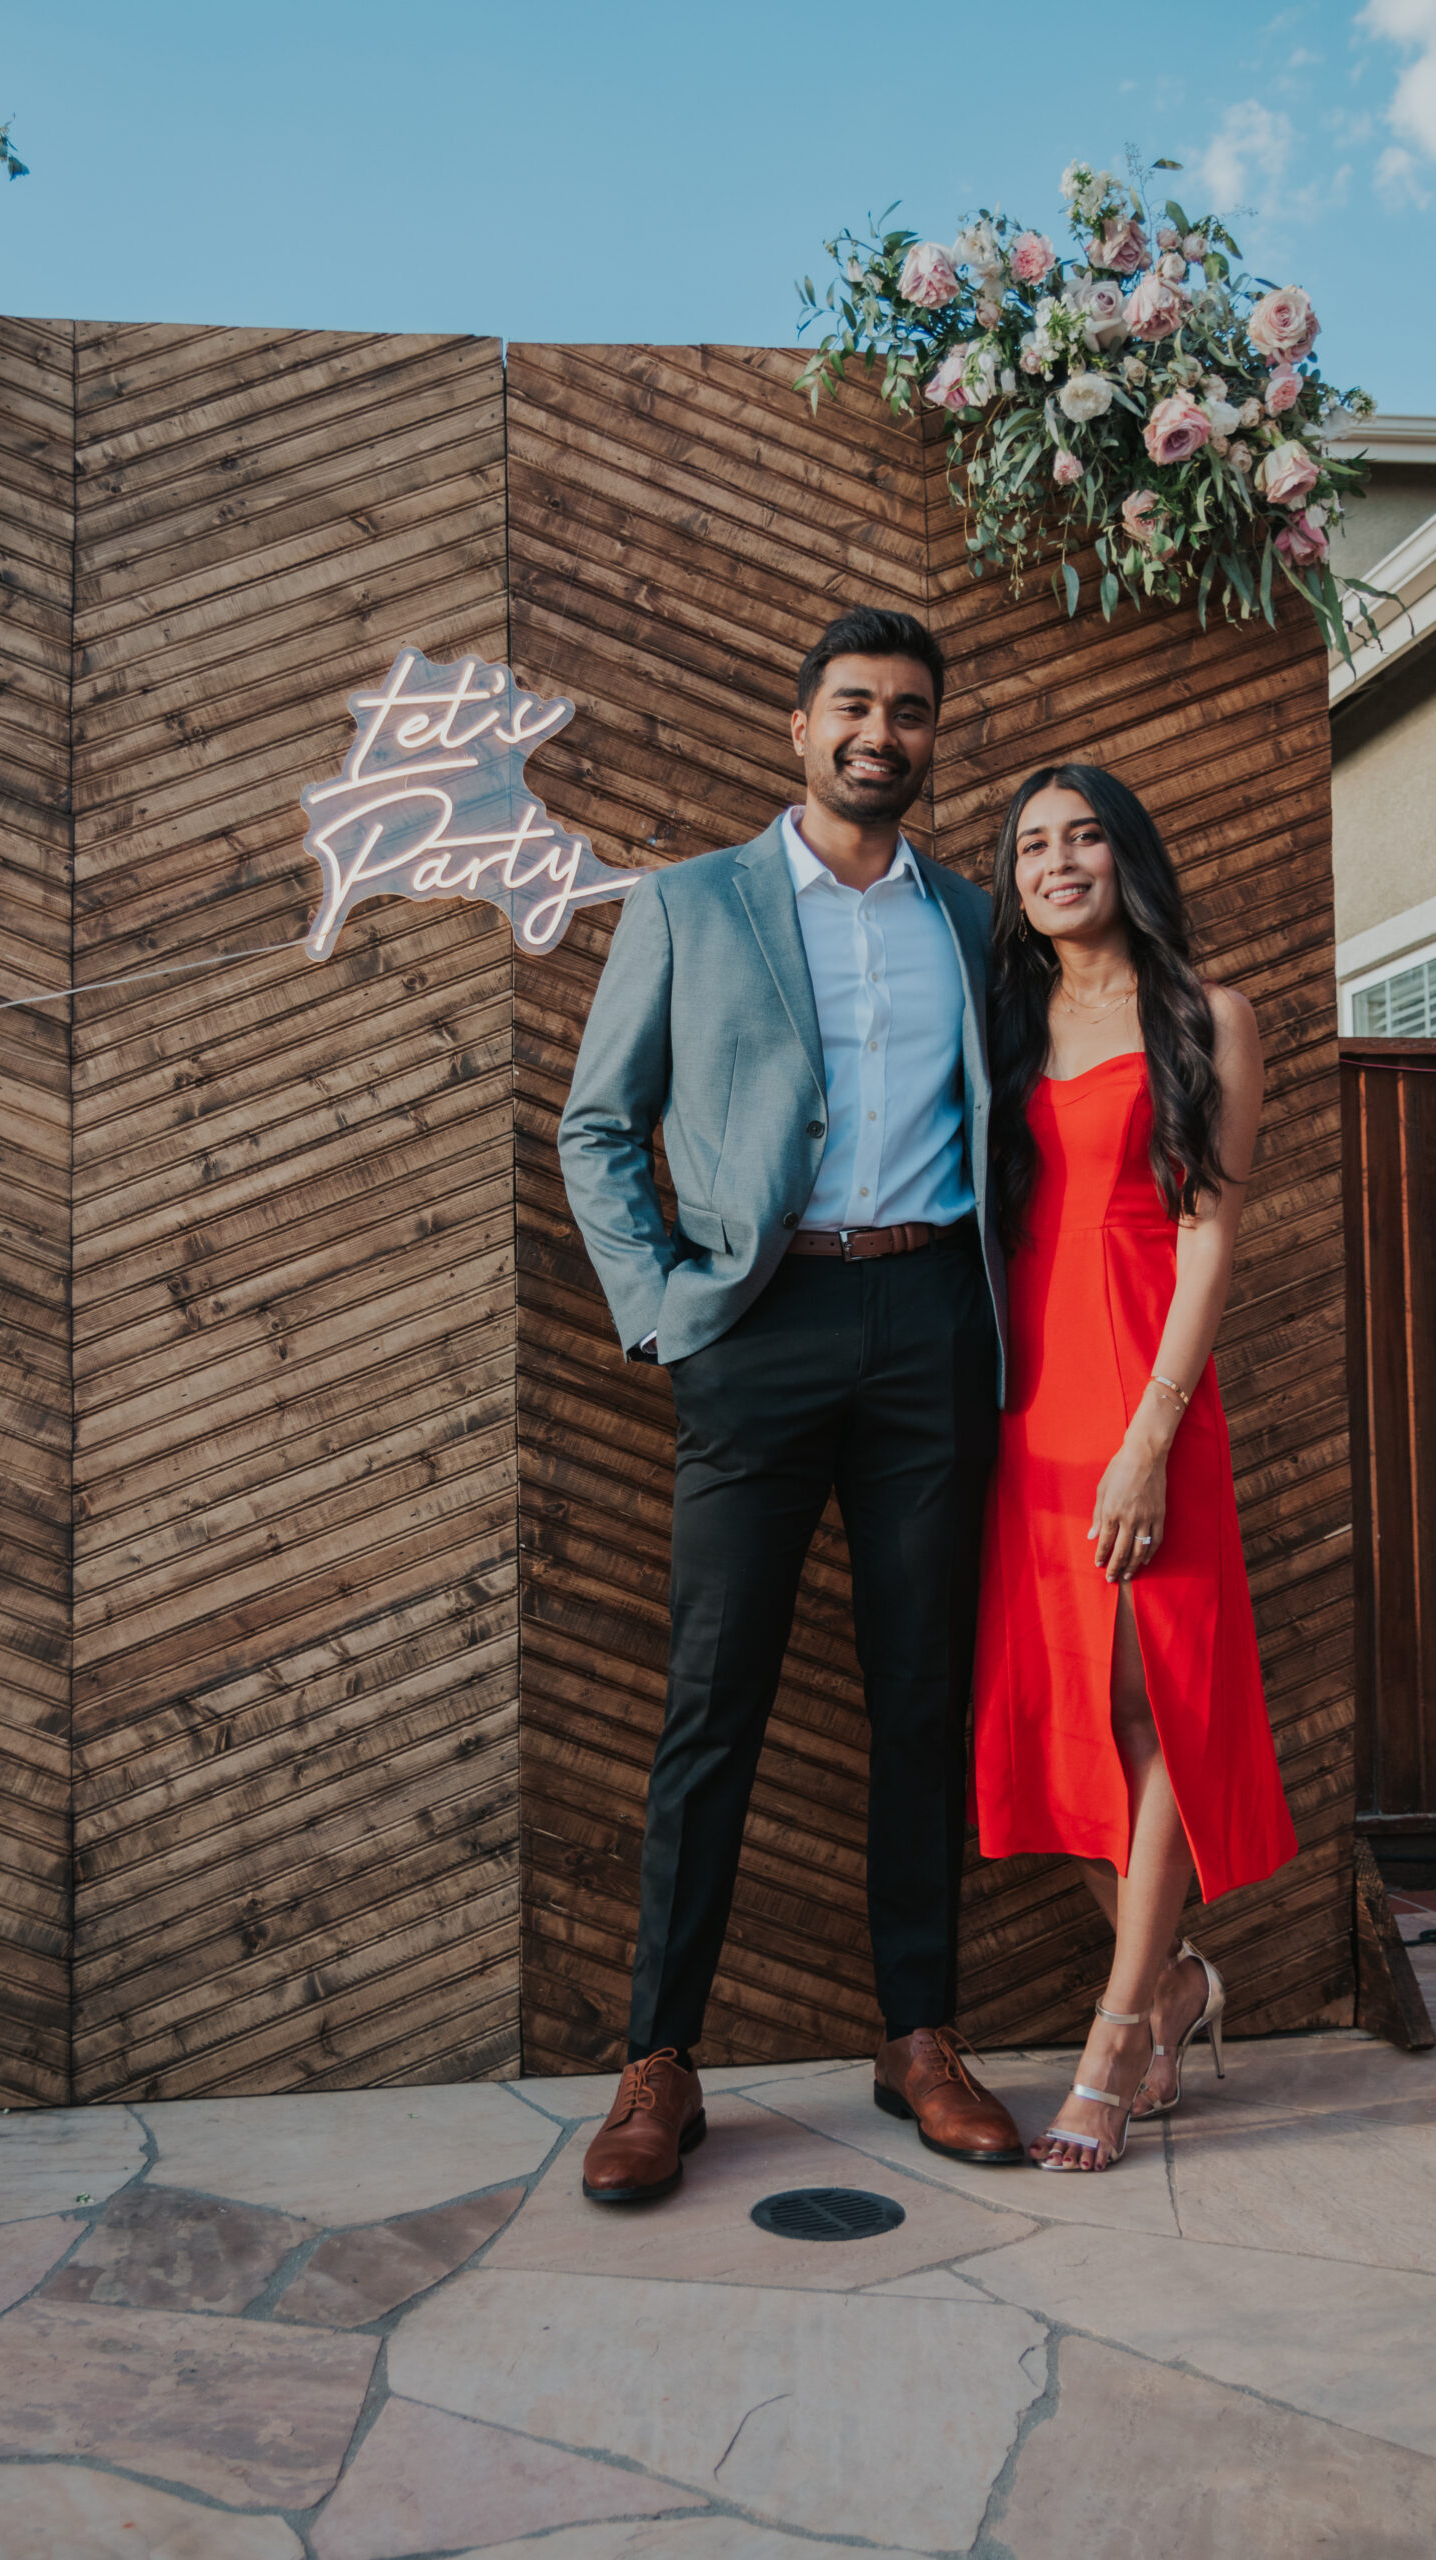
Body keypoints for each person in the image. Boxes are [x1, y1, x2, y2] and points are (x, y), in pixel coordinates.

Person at [557, 605, 1024, 2203]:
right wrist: (667, 1315)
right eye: (851, 706)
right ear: (799, 726)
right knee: (713, 1702)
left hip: (928, 1322)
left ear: (929, 737)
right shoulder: (692, 905)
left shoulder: (973, 919)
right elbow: (597, 1129)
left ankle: (918, 2037)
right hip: (755, 1324)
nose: (878, 734)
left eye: (907, 711)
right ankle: (660, 2063)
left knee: (919, 1697)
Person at [972, 762, 1299, 2172]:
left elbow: (1212, 1240)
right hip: (1027, 1406)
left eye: (1083, 835)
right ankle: (1174, 1985)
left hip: (1150, 1394)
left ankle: (1113, 2038)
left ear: (1127, 856)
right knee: (1074, 1718)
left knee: (1149, 1696)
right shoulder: (1001, 1025)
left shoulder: (1208, 1018)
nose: (1058, 862)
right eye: (1033, 845)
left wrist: (1151, 1440)